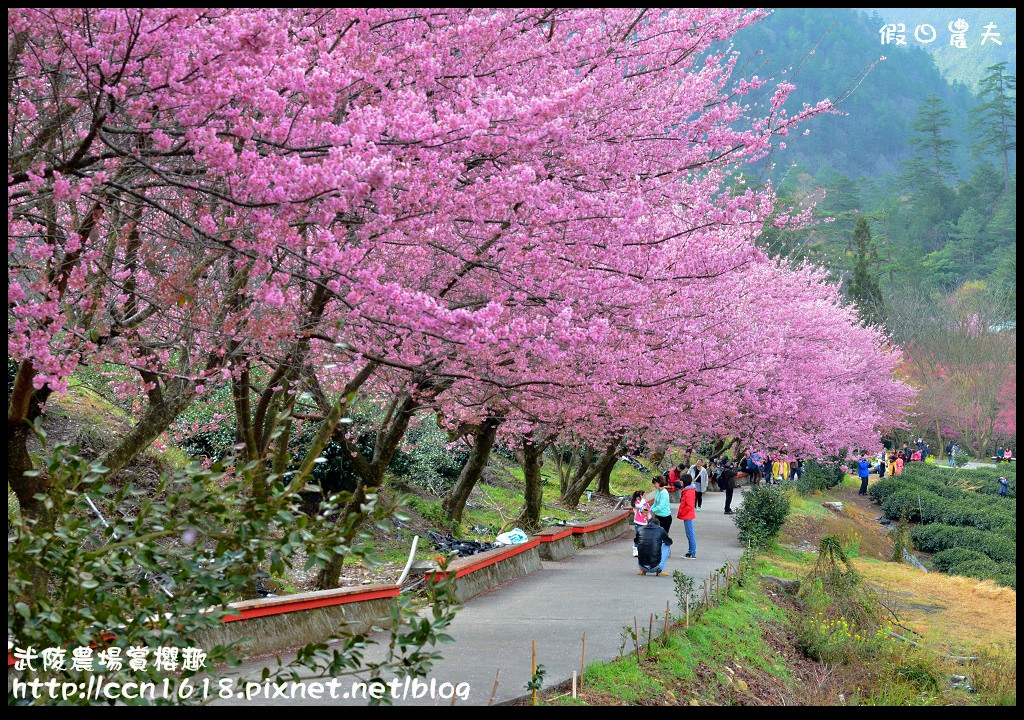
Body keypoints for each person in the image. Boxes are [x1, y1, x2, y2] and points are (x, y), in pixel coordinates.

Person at [676, 473, 698, 559]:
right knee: (690, 534)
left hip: (687, 515)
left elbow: (689, 506)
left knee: (690, 534)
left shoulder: (688, 492)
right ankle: (691, 552)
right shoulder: (688, 490)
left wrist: (682, 512)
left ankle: (692, 553)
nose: (680, 482)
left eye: (681, 480)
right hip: (688, 515)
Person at [631, 489, 651, 558]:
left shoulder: (646, 504)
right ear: (640, 496)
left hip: (645, 523)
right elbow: (640, 506)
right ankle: (635, 549)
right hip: (638, 523)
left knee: (644, 537)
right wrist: (643, 500)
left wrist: (650, 520)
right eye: (644, 495)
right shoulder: (636, 503)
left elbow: (647, 513)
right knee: (638, 537)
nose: (646, 496)